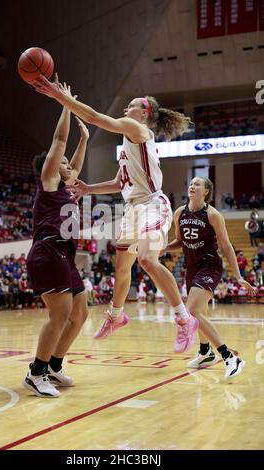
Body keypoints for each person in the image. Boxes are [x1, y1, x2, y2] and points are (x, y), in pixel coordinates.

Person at [34, 76, 198, 353]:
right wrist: (88, 188)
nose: (125, 109)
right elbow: (120, 183)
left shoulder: (136, 128)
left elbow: (96, 117)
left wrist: (61, 98)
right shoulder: (129, 143)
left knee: (147, 259)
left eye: (131, 105)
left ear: (143, 113)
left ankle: (184, 318)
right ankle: (116, 315)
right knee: (122, 267)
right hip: (133, 208)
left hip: (152, 204)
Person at [23, 80, 90, 398]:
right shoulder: (49, 181)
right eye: (63, 163)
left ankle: (55, 364)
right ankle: (36, 373)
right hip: (48, 252)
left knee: (80, 314)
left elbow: (74, 161)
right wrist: (66, 102)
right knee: (60, 314)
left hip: (65, 256)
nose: (68, 166)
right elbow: (60, 140)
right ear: (51, 168)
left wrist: (86, 138)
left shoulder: (66, 186)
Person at [163, 176, 256, 379]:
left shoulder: (213, 215)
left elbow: (226, 246)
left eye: (197, 184)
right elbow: (179, 241)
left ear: (206, 191)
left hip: (210, 266)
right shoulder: (179, 213)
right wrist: (163, 248)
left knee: (192, 311)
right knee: (200, 313)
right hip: (191, 267)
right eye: (191, 183)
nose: (192, 186)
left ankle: (230, 357)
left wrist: (238, 276)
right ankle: (205, 352)